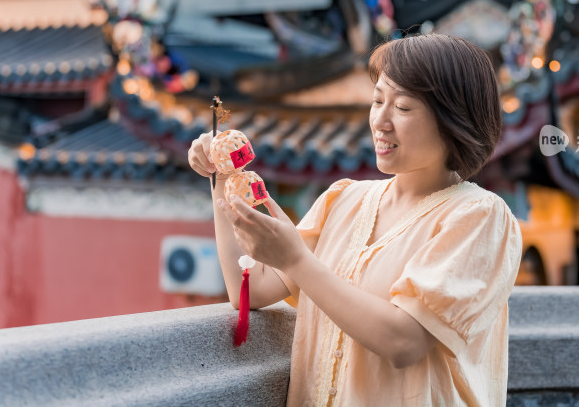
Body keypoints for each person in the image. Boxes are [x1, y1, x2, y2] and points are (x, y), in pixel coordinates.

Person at [188, 33, 523, 406]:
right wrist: (221, 180)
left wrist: (296, 259)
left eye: (403, 107)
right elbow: (249, 291)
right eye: (378, 100)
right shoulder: (343, 200)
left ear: (453, 119)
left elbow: (404, 341)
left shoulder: (480, 216)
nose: (380, 121)